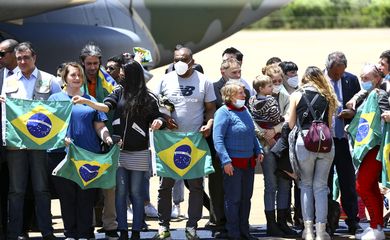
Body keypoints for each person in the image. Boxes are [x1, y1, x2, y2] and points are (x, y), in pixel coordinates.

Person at [73, 60, 166, 240]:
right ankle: (123, 230)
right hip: (119, 151)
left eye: (123, 71)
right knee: (121, 193)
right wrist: (87, 101)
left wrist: (159, 122)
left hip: (139, 152)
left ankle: (136, 231)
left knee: (137, 193)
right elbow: (106, 107)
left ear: (131, 73)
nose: (120, 74)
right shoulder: (118, 91)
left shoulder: (148, 96)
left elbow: (159, 116)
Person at [152, 46, 216, 240]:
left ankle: (192, 227)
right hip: (169, 141)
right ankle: (163, 226)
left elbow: (211, 108)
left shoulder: (204, 81)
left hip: (194, 141)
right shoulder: (164, 80)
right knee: (165, 186)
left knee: (196, 186)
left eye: (183, 59)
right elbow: (157, 108)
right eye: (176, 59)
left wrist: (209, 123)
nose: (179, 62)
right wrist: (163, 119)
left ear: (192, 61)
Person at [1, 42, 61, 240]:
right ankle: (15, 232)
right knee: (16, 190)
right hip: (15, 143)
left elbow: (58, 108)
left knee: (41, 189)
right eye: (19, 58)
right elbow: (5, 112)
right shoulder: (8, 80)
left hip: (39, 144)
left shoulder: (49, 79)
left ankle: (47, 232)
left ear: (34, 57)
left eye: (26, 58)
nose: (22, 62)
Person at [48, 62, 112, 240]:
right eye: (72, 75)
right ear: (65, 78)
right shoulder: (54, 99)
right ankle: (70, 233)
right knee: (67, 197)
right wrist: (61, 138)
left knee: (86, 197)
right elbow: (49, 127)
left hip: (87, 155)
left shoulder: (90, 100)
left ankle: (84, 233)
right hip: (60, 155)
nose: (76, 78)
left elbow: (99, 126)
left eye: (79, 75)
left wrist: (107, 138)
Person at [288, 66, 338, 240]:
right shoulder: (329, 96)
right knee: (321, 187)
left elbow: (290, 123)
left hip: (304, 141)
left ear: (305, 78)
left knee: (306, 185)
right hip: (325, 143)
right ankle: (321, 230)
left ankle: (308, 230)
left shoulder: (296, 94)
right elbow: (330, 125)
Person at [213, 81, 263, 240]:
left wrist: (258, 149)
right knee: (233, 199)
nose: (244, 95)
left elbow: (251, 133)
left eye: (243, 92)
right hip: (233, 164)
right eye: (240, 92)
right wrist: (226, 161)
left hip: (248, 162)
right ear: (230, 96)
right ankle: (233, 233)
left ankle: (244, 231)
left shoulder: (245, 110)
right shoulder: (223, 112)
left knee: (245, 198)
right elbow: (218, 139)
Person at [79, 42, 118, 237]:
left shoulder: (109, 81)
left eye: (96, 63)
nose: (93, 67)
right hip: (84, 140)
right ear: (82, 63)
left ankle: (110, 225)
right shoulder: (75, 79)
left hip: (106, 137)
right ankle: (88, 226)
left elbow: (117, 97)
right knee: (86, 183)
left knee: (109, 185)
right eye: (89, 64)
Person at [324, 51, 361, 234]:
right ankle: (328, 221)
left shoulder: (351, 80)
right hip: (324, 141)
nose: (339, 76)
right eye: (336, 73)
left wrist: (352, 114)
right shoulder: (319, 81)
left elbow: (360, 108)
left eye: (341, 72)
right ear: (328, 68)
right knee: (326, 182)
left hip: (344, 139)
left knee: (348, 180)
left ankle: (353, 220)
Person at [351, 64, 389, 240]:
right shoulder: (368, 94)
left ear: (376, 79)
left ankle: (376, 226)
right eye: (361, 78)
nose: (363, 82)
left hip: (375, 147)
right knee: (371, 187)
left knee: (363, 186)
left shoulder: (380, 95)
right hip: (368, 147)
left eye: (366, 78)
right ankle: (376, 226)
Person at [259, 64, 294, 237]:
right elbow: (253, 121)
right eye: (273, 82)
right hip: (266, 146)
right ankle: (270, 223)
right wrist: (267, 136)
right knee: (270, 185)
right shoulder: (257, 97)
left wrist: (276, 131)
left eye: (280, 81)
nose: (277, 84)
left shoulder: (285, 96)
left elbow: (288, 118)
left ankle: (282, 222)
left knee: (285, 184)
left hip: (283, 146)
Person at [0, 38, 18, 238]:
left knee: (20, 190)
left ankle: (19, 229)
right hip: (1, 144)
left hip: (20, 144)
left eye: (2, 54)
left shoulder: (29, 78)